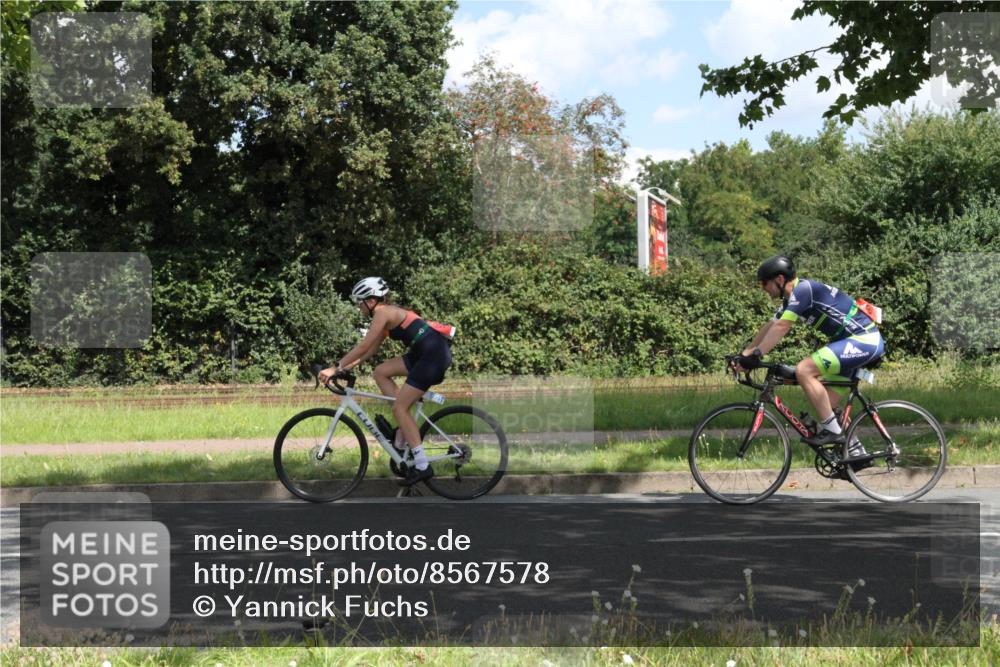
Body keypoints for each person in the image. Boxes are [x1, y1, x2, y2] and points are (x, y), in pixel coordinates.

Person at [737, 255, 885, 455]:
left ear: (779, 280)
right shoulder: (793, 298)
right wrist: (744, 354)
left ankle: (833, 432)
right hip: (852, 342)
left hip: (864, 340)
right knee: (826, 404)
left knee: (804, 370)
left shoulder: (803, 291)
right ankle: (856, 452)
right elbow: (771, 325)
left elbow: (782, 327)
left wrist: (756, 356)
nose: (763, 287)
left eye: (765, 282)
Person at [318, 277, 453, 486]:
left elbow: (362, 347)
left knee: (400, 407)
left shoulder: (383, 313)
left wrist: (335, 367)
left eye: (359, 302)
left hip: (432, 357)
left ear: (371, 301)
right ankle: (402, 433)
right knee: (381, 372)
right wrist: (343, 369)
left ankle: (422, 466)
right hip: (424, 354)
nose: (358, 307)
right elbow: (369, 352)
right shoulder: (385, 315)